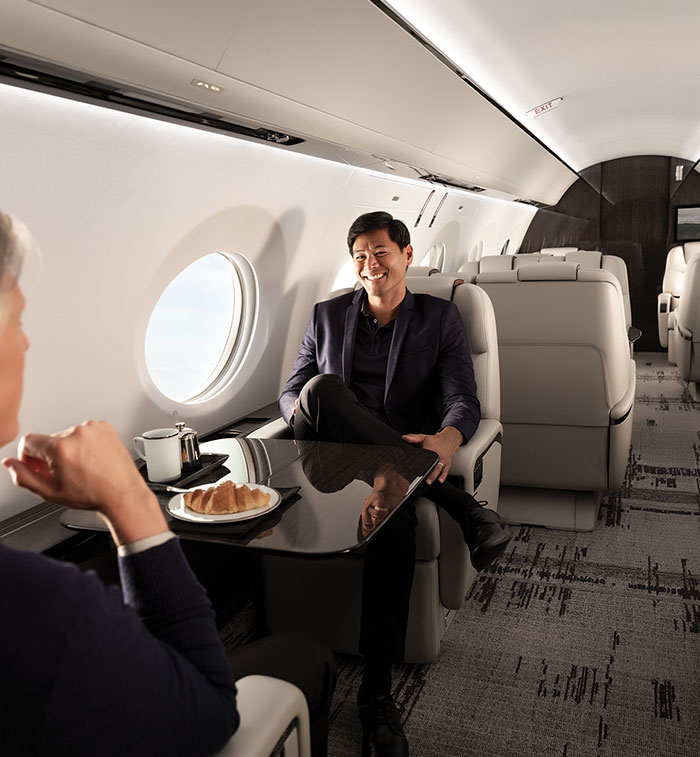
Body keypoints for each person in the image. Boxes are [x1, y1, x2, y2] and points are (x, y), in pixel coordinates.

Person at [0, 210, 335, 757]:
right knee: (305, 654)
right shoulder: (39, 607)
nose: (28, 345)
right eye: (15, 321)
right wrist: (128, 501)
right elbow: (210, 712)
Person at [279, 211, 512, 756]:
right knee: (322, 388)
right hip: (328, 458)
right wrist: (308, 417)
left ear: (407, 255)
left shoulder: (440, 317)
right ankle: (460, 504)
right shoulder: (326, 314)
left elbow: (462, 398)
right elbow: (292, 393)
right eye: (360, 255)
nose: (369, 264)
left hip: (393, 473)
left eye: (380, 252)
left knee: (395, 523)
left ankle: (377, 699)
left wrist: (450, 438)